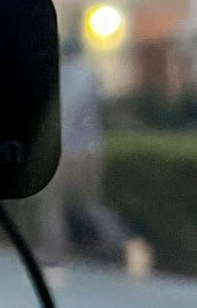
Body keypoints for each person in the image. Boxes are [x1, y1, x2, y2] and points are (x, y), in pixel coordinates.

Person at [37, 35, 151, 278]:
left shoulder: (62, 76)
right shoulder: (89, 75)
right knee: (89, 205)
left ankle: (53, 263)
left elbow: (61, 114)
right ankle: (127, 241)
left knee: (52, 206)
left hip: (63, 151)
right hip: (90, 151)